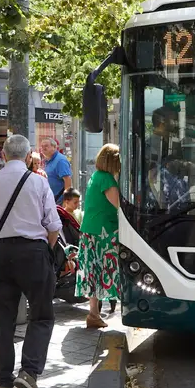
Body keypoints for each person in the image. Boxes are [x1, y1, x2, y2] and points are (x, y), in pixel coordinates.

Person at [0, 135, 61, 388]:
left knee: (3, 319)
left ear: (3, 154)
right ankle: (29, 373)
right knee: (42, 315)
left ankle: (4, 385)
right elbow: (53, 226)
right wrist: (46, 248)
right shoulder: (38, 182)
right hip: (33, 253)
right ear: (28, 154)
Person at [76, 143, 121, 328]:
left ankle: (93, 314)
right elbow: (119, 205)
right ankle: (96, 314)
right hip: (104, 233)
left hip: (90, 230)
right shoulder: (107, 180)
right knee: (108, 270)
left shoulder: (96, 176)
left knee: (92, 271)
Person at [40, 137, 72, 203]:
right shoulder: (47, 160)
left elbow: (67, 180)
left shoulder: (60, 161)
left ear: (54, 147)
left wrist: (66, 201)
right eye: (42, 146)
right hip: (51, 200)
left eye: (46, 146)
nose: (43, 148)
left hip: (59, 202)